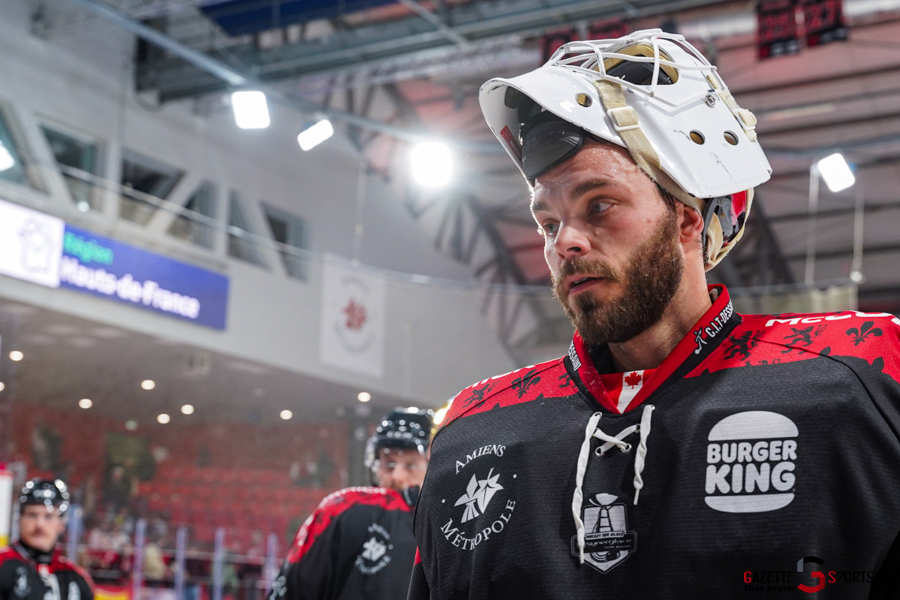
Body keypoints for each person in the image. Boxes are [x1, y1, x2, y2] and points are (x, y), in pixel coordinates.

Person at [409, 29, 900, 599]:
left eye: (599, 205)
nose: (564, 242)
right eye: (548, 223)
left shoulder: (865, 373)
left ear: (688, 216)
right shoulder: (470, 430)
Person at [269, 407, 433, 600]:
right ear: (376, 463)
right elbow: (295, 588)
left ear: (430, 465)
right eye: (389, 463)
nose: (397, 476)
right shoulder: (342, 509)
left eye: (410, 465)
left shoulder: (442, 525)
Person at [0, 479, 95, 600]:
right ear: (20, 520)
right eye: (32, 515)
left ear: (61, 524)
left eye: (48, 516)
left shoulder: (76, 578)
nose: (40, 524)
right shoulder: (3, 566)